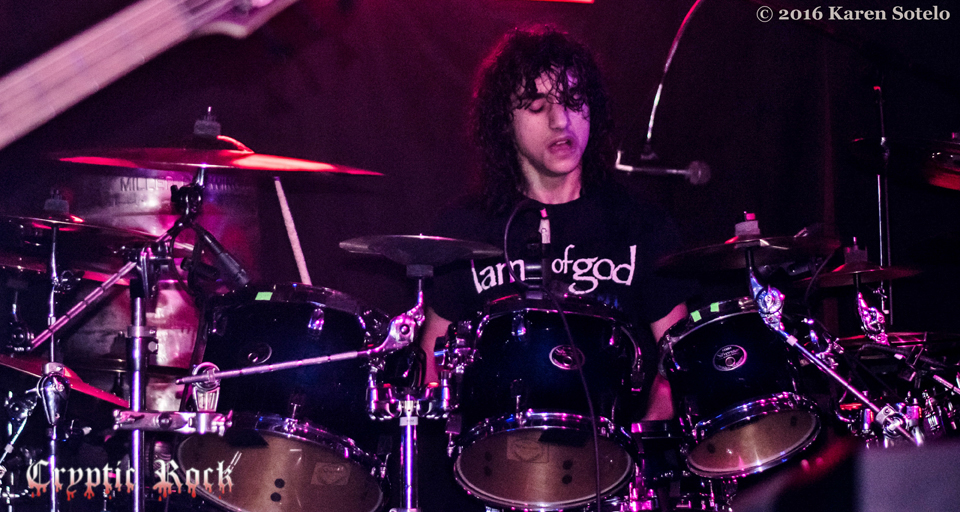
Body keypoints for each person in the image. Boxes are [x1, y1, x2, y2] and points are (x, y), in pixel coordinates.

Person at [420, 24, 695, 426]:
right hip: (492, 451)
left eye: (573, 100)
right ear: (504, 122)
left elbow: (680, 361)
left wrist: (641, 446)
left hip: (614, 453)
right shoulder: (464, 228)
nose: (560, 120)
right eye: (536, 106)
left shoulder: (640, 223)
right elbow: (432, 362)